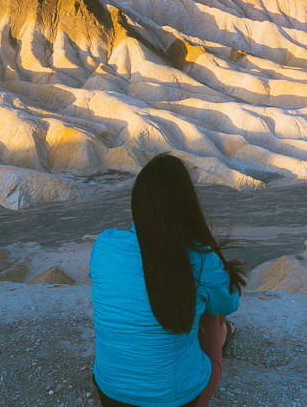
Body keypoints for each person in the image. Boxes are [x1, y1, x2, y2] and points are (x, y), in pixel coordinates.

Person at [89, 154, 246, 407]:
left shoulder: (104, 244)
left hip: (110, 395)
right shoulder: (201, 257)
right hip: (179, 401)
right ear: (188, 205)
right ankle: (225, 334)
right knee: (207, 307)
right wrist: (221, 271)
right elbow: (229, 304)